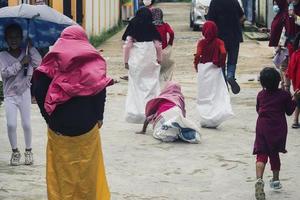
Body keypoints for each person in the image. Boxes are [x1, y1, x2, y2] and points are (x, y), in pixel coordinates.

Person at [34, 25, 112, 200]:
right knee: (87, 176)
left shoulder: (52, 61)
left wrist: (48, 116)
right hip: (87, 128)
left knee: (62, 177)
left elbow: (38, 89)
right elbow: (101, 89)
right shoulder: (93, 61)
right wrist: (99, 116)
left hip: (58, 128)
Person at [254, 67, 299, 200]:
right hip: (278, 127)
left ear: (262, 82)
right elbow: (289, 111)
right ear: (279, 80)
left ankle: (259, 180)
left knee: (261, 154)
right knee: (274, 153)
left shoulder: (260, 95)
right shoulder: (284, 95)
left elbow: (258, 109)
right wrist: (295, 98)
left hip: (262, 126)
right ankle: (275, 180)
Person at [0, 23, 42, 166]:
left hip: (25, 92)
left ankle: (28, 151)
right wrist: (20, 63)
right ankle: (15, 151)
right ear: (6, 39)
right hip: (10, 95)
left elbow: (39, 63)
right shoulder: (2, 56)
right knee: (11, 124)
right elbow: (5, 73)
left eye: (17, 37)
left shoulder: (27, 52)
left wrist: (31, 48)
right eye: (10, 37)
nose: (14, 40)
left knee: (26, 124)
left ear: (21, 38)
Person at [123, 7, 162, 124]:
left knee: (136, 85)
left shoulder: (133, 25)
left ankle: (136, 112)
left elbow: (127, 46)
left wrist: (125, 61)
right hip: (150, 60)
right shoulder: (151, 27)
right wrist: (159, 59)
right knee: (151, 84)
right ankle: (150, 111)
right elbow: (158, 45)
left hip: (136, 61)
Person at [194, 21, 234, 128]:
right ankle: (215, 118)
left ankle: (205, 118)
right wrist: (221, 63)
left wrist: (196, 65)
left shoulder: (201, 43)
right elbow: (224, 52)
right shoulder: (219, 42)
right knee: (215, 94)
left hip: (204, 70)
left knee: (204, 95)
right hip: (215, 69)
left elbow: (198, 55)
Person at [207, 0, 245, 94]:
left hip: (220, 38)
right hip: (234, 36)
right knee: (232, 61)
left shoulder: (214, 2)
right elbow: (242, 17)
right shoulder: (234, 1)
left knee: (221, 63)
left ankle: (224, 86)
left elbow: (210, 22)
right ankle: (230, 76)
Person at [152, 8, 175, 83]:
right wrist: (170, 43)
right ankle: (163, 82)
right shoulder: (165, 25)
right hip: (163, 49)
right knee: (164, 68)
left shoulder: (150, 26)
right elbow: (171, 33)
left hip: (152, 50)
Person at [287, 32, 300, 128]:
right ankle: (295, 121)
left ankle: (295, 120)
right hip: (297, 82)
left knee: (298, 100)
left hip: (296, 83)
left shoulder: (295, 54)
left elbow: (290, 71)